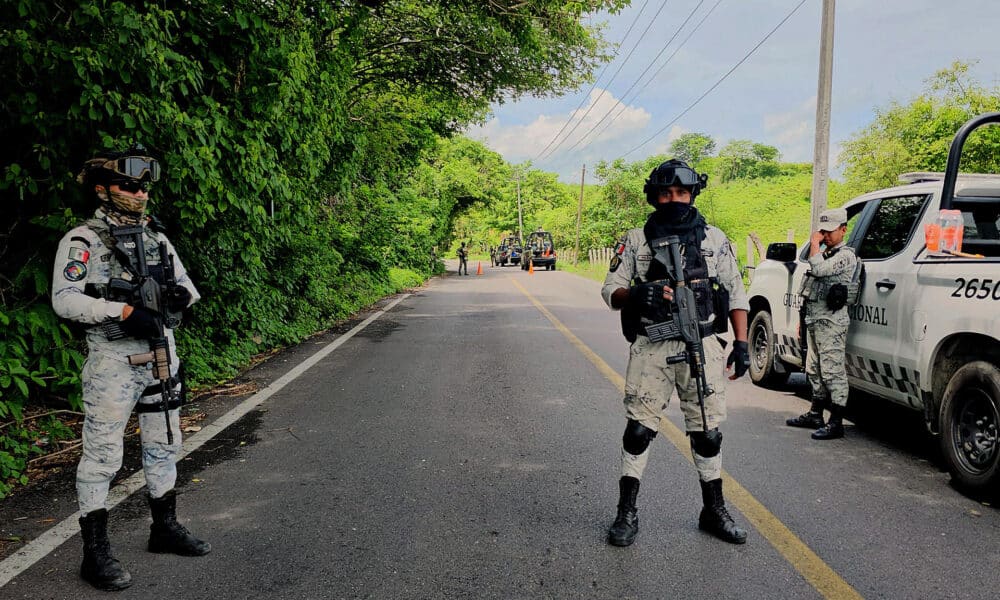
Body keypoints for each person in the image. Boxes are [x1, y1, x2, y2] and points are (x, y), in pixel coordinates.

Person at [52, 145, 210, 591]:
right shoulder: (82, 240)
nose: (139, 194)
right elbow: (64, 300)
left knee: (165, 442)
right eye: (128, 185)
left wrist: (180, 298)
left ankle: (164, 528)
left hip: (161, 352)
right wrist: (120, 312)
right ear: (103, 190)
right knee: (103, 455)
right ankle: (95, 553)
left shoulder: (157, 238)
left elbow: (186, 287)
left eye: (143, 187)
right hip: (113, 360)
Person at [601, 159, 751, 547]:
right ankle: (626, 513)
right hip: (653, 343)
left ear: (692, 194)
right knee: (638, 430)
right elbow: (610, 290)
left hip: (702, 344)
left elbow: (735, 292)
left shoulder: (715, 239)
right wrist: (636, 293)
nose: (674, 200)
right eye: (666, 194)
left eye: (681, 193)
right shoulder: (636, 239)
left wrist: (742, 342)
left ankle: (713, 510)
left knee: (708, 435)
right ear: (654, 197)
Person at [785, 207, 858, 440]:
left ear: (843, 230)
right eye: (822, 232)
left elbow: (818, 269)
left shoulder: (845, 256)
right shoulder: (826, 254)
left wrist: (814, 243)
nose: (824, 236)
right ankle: (815, 413)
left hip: (832, 323)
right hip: (815, 319)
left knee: (832, 371)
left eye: (829, 232)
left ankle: (835, 422)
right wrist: (803, 321)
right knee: (813, 369)